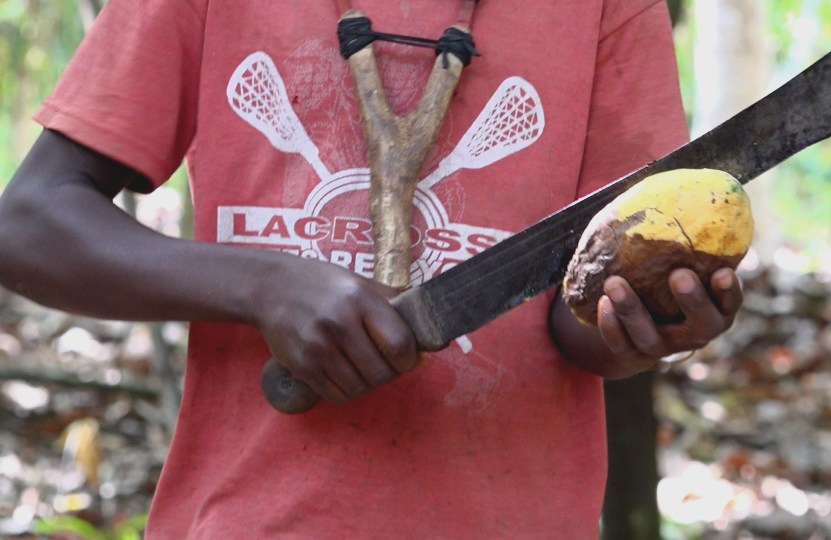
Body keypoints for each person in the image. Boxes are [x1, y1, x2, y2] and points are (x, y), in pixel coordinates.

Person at [0, 0, 742, 537]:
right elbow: (28, 224)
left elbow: (578, 322)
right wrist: (263, 287)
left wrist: (640, 324)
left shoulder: (606, 10)